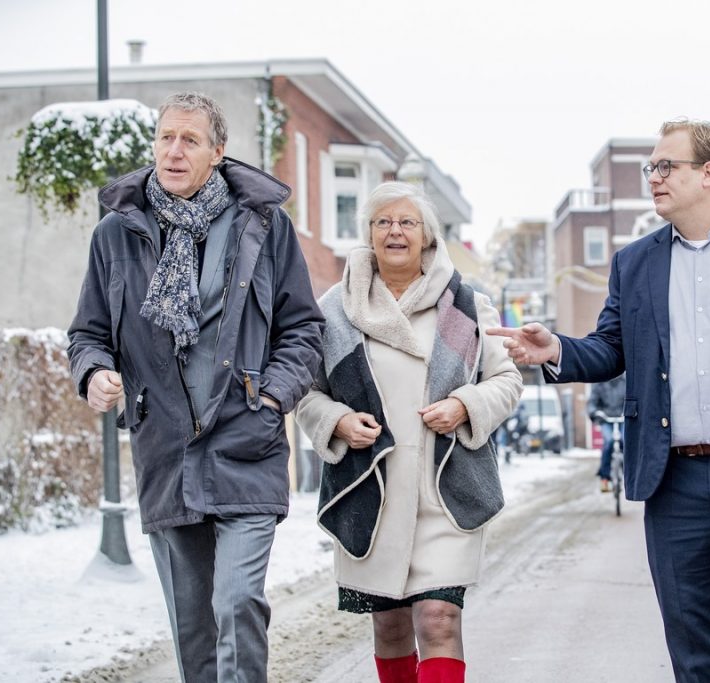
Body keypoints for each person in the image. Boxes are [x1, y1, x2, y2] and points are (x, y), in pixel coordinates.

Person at [488, 118, 710, 682]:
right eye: (649, 168)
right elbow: (610, 349)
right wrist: (556, 347)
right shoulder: (635, 263)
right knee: (692, 632)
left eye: (664, 166)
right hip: (674, 479)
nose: (652, 178)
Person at [67, 91, 324, 682]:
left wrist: (272, 397)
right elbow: (87, 333)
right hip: (167, 450)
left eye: (190, 140)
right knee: (193, 628)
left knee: (237, 604)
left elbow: (303, 329)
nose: (174, 151)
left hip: (246, 442)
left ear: (218, 152)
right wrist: (96, 372)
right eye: (165, 138)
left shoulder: (264, 227)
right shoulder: (115, 234)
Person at [295, 181, 522, 683]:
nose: (395, 231)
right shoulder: (334, 309)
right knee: (392, 628)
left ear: (427, 235)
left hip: (444, 488)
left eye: (407, 222)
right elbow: (305, 392)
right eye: (383, 222)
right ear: (369, 234)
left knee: (440, 620)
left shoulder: (465, 304)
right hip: (371, 492)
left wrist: (465, 404)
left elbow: (506, 381)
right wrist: (337, 420)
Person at [587, 374, 626, 492]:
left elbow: (633, 399)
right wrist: (595, 412)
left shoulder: (625, 383)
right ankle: (604, 478)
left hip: (622, 419)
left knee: (626, 441)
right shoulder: (600, 383)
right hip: (606, 419)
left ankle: (630, 473)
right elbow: (592, 402)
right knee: (608, 442)